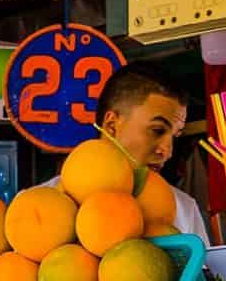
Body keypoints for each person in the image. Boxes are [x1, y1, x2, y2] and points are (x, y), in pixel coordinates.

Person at [37, 62, 206, 239]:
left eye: (175, 136)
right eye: (157, 130)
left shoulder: (184, 210)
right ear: (112, 125)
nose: (167, 151)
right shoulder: (36, 207)